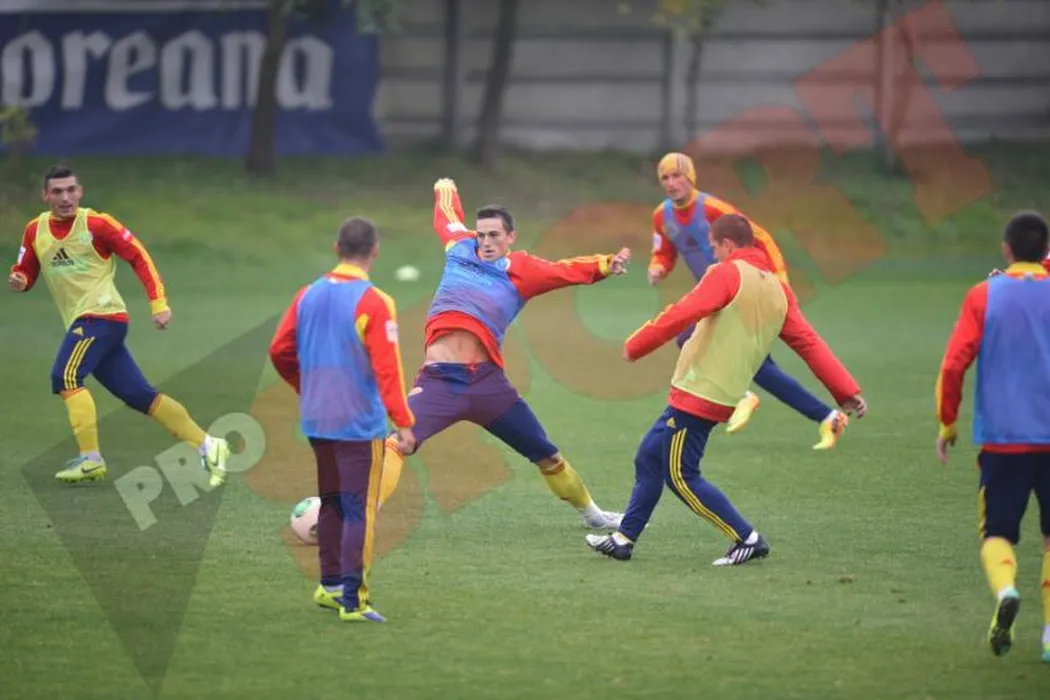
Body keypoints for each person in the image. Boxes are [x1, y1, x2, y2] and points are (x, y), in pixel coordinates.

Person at [587, 214, 865, 566]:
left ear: (728, 245)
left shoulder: (726, 273)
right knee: (649, 457)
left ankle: (747, 538)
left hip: (700, 391)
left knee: (681, 476)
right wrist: (845, 390)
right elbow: (809, 343)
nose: (713, 254)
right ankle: (623, 539)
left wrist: (637, 344)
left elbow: (683, 311)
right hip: (718, 391)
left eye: (714, 247)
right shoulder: (779, 289)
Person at [376, 178, 630, 530]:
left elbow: (564, 270)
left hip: (487, 385)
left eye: (494, 235)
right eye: (481, 234)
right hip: (439, 382)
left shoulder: (523, 271)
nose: (486, 242)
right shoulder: (460, 248)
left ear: (511, 237)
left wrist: (605, 264)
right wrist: (445, 189)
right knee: (397, 443)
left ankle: (594, 516)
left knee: (548, 457)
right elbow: (446, 217)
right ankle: (364, 513)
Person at [7, 165, 230, 486]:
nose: (65, 197)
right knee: (139, 395)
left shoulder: (98, 224)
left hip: (101, 316)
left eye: (70, 190)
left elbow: (139, 256)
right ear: (45, 196)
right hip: (89, 323)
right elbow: (25, 271)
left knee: (65, 376)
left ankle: (90, 459)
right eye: (57, 191)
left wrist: (158, 303)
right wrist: (19, 279)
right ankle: (209, 444)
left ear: (80, 192)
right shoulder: (34, 230)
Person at [648, 152, 849, 450]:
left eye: (677, 176)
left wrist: (780, 279)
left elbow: (761, 238)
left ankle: (746, 397)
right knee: (759, 367)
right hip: (717, 296)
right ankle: (827, 417)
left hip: (744, 290)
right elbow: (664, 251)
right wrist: (658, 267)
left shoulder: (714, 209)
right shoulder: (661, 216)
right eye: (665, 178)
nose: (671, 183)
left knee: (695, 340)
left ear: (690, 178)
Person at [269, 216, 415, 624]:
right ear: (375, 251)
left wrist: (306, 387)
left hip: (317, 419)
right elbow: (388, 370)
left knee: (331, 501)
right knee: (358, 510)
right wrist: (403, 422)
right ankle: (354, 601)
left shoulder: (307, 294)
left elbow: (279, 350)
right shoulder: (375, 301)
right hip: (358, 424)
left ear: (336, 249)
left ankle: (330, 586)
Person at [936, 211, 1050, 662]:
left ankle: (1006, 590)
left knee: (997, 532)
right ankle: (1049, 635)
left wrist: (947, 424)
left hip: (1004, 440)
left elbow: (953, 365)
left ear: (1006, 248)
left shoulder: (984, 295)